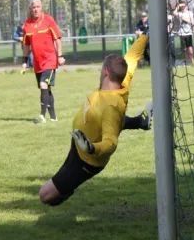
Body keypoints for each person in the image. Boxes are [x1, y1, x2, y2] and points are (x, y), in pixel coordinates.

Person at [38, 35, 151, 206]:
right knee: (108, 121)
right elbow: (133, 56)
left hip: (86, 159)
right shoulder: (122, 80)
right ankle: (140, 122)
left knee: (45, 196)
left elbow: (111, 142)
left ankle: (65, 191)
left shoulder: (110, 108)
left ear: (105, 72)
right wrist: (146, 34)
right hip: (79, 143)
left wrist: (91, 148)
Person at [21, 0, 65, 123]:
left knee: (43, 84)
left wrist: (60, 56)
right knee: (46, 89)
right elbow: (26, 45)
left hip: (50, 60)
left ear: (41, 7)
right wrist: (24, 61)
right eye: (33, 7)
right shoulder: (27, 25)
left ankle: (42, 116)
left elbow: (57, 39)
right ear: (30, 9)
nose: (36, 9)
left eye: (38, 7)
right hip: (37, 63)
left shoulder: (48, 20)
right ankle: (53, 117)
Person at [173, 1, 194, 65]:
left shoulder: (190, 13)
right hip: (182, 33)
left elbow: (193, 22)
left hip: (188, 33)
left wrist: (186, 19)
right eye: (182, 7)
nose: (183, 8)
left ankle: (192, 60)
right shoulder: (180, 13)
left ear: (187, 7)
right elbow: (174, 13)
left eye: (184, 6)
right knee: (185, 48)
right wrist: (178, 6)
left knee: (190, 48)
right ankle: (187, 62)